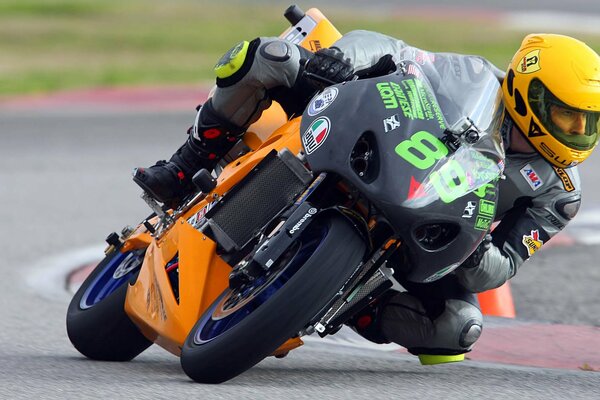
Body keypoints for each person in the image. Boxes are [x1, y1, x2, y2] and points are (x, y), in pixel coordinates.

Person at [133, 31, 600, 363]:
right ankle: (185, 163)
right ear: (529, 93)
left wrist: (475, 251)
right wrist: (341, 57)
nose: (577, 133)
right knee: (266, 55)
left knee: (458, 327)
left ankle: (353, 307)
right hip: (369, 145)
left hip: (428, 236)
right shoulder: (474, 78)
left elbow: (505, 266)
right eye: (566, 116)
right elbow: (393, 50)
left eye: (588, 123)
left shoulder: (558, 194)